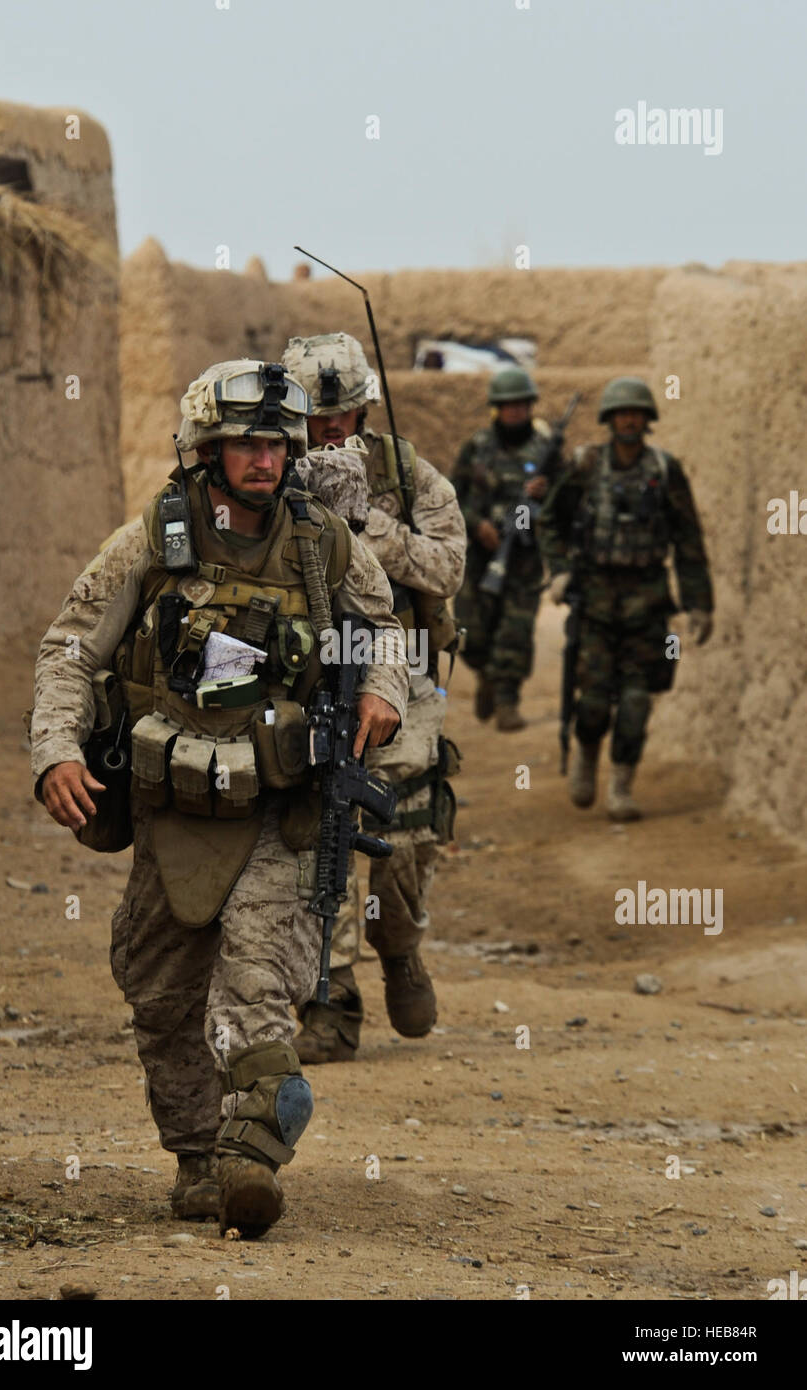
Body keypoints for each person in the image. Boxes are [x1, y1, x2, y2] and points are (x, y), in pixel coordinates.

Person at [29, 359, 408, 1236]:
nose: (263, 459)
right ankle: (200, 1158)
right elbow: (69, 652)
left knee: (257, 983)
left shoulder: (324, 546)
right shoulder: (147, 544)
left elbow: (383, 627)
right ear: (206, 449)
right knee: (160, 993)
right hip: (177, 813)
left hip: (285, 807)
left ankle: (254, 1154)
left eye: (276, 443)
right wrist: (55, 750)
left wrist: (385, 688)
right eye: (244, 442)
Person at [281, 332, 466, 1063]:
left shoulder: (407, 473)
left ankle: (399, 946)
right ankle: (330, 1001)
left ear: (363, 410)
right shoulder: (267, 470)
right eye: (316, 418)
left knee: (404, 842)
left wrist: (369, 526)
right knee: (314, 836)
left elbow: (447, 567)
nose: (330, 431)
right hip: (312, 676)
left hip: (403, 673)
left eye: (343, 415)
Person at [537, 376, 713, 820]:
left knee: (637, 700)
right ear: (610, 420)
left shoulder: (664, 469)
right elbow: (549, 520)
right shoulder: (586, 465)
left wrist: (699, 602)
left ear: (647, 419)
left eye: (636, 413)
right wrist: (559, 571)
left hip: (648, 605)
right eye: (621, 413)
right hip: (594, 602)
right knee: (594, 700)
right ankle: (587, 755)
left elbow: (688, 539)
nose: (629, 420)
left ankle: (621, 786)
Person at [452, 365, 559, 730]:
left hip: (524, 559)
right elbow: (452, 498)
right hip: (481, 556)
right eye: (507, 405)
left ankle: (507, 700)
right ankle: (486, 674)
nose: (515, 411)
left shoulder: (546, 451)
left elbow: (568, 504)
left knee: (515, 630)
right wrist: (476, 524)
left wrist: (547, 494)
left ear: (531, 406)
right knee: (470, 631)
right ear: (496, 408)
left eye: (521, 404)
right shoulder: (477, 448)